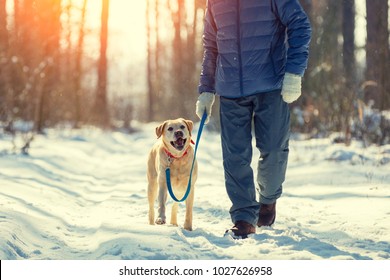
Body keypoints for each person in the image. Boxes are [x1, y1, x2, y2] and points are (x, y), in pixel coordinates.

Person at [196, 0, 311, 239]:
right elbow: (211, 45)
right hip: (229, 90)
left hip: (270, 86)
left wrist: (294, 73)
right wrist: (207, 88)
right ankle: (244, 217)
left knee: (273, 150)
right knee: (234, 156)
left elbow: (300, 25)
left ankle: (267, 200)